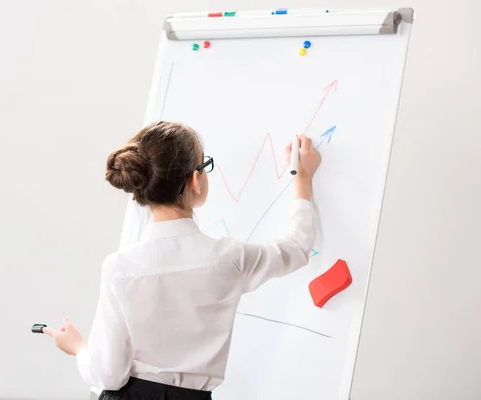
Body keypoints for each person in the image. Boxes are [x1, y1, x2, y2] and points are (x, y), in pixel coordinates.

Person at [43, 121, 321, 400]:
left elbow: (109, 375)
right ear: (195, 180)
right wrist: (302, 177)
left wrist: (79, 348)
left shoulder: (120, 269)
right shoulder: (230, 259)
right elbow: (296, 247)